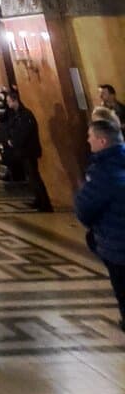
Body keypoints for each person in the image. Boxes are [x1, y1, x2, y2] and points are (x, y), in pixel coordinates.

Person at [75, 117, 125, 330]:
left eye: (90, 137)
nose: (88, 141)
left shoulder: (102, 172)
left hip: (116, 244)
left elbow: (84, 209)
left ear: (102, 141)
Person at [3, 88, 52, 211]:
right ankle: (38, 200)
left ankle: (45, 204)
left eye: (8, 101)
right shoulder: (16, 114)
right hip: (22, 151)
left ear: (15, 100)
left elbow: (24, 132)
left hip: (29, 150)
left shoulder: (26, 114)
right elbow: (12, 128)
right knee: (31, 177)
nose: (7, 104)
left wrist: (14, 141)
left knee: (34, 177)